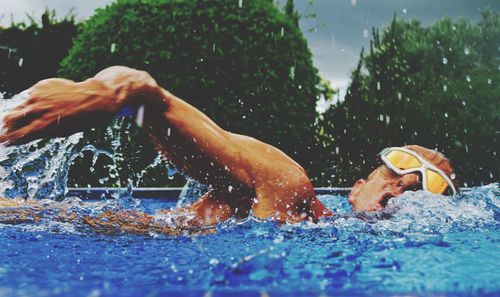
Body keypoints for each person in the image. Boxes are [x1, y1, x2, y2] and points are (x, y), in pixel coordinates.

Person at [0, 66, 458, 234]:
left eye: (423, 192)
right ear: (358, 187)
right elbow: (144, 93)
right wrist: (108, 96)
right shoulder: (289, 184)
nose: (405, 187)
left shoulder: (317, 227)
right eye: (397, 171)